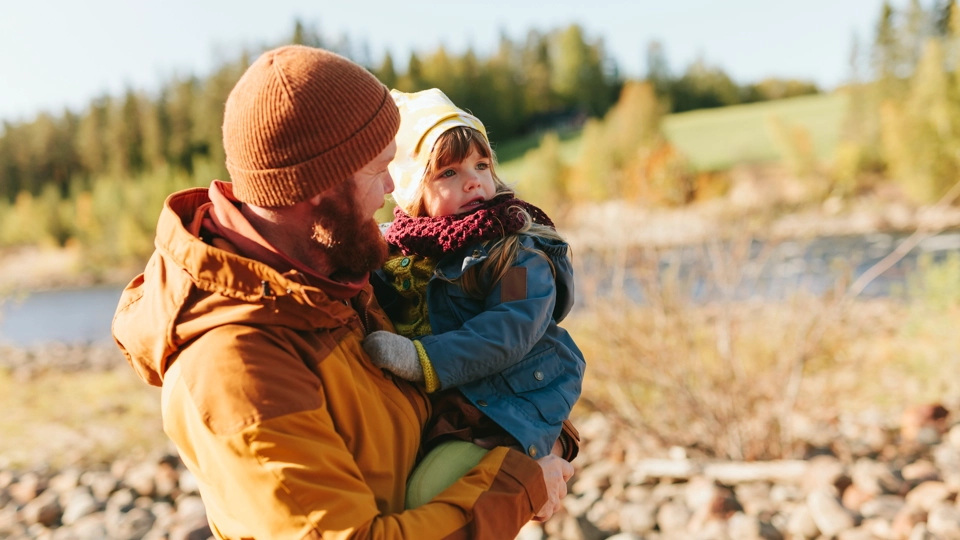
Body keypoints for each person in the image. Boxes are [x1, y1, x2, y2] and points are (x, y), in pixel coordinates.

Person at [112, 45, 574, 539]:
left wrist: (536, 433)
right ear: (319, 187)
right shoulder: (235, 369)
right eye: (380, 170)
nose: (390, 192)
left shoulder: (334, 275)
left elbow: (481, 358)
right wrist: (520, 487)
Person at [362, 88, 585, 508]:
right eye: (448, 172)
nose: (473, 180)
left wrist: (419, 359)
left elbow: (510, 325)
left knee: (425, 496)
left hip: (503, 409)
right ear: (412, 189)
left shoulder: (512, 255)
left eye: (481, 165)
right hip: (444, 410)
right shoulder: (396, 257)